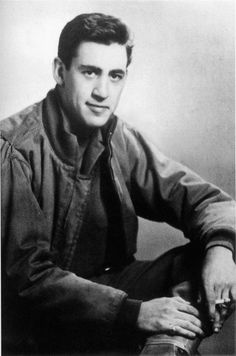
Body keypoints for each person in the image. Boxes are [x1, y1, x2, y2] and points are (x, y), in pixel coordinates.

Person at [1, 12, 235, 356]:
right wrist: (137, 313)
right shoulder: (14, 148)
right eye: (89, 72)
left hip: (108, 295)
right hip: (35, 326)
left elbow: (203, 201)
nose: (102, 92)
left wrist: (221, 250)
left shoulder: (116, 136)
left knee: (212, 250)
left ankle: (169, 342)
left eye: (115, 76)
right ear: (59, 71)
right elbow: (27, 279)